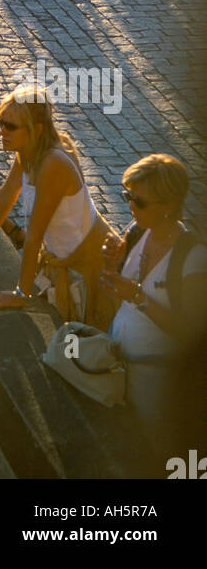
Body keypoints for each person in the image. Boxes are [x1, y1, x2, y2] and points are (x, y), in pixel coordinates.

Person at [0, 88, 115, 324]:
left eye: (10, 126)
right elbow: (7, 194)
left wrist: (20, 295)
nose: (1, 131)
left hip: (86, 264)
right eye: (0, 122)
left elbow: (34, 236)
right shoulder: (31, 149)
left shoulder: (53, 163)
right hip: (64, 256)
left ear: (36, 129)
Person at [101, 155, 207, 430]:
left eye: (140, 202)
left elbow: (190, 333)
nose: (131, 207)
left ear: (169, 206)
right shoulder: (137, 232)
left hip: (155, 391)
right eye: (128, 196)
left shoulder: (192, 259)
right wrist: (111, 266)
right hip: (118, 373)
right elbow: (116, 298)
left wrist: (139, 297)